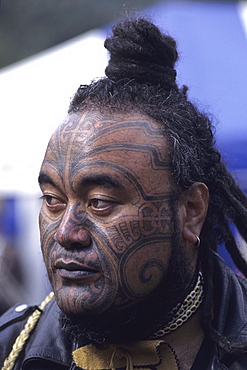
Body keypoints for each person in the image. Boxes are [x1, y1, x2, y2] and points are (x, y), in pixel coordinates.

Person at [1, 17, 247, 370]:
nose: (67, 233)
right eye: (53, 200)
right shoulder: (12, 351)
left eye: (100, 202)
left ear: (191, 210)